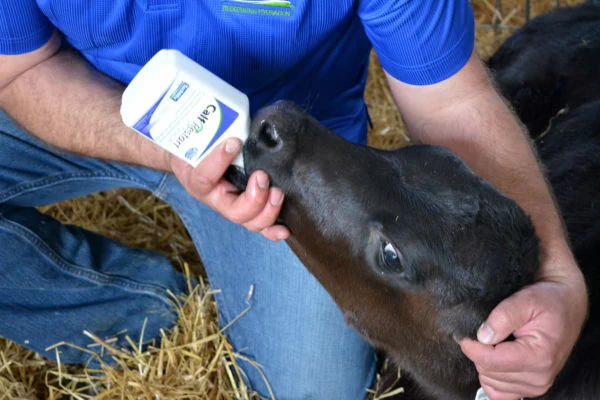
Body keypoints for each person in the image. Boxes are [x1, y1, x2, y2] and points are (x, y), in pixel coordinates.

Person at [0, 1, 587, 399]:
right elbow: (23, 71)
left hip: (287, 155)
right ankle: (134, 314)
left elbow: (451, 102)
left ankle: (169, 314)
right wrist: (165, 148)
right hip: (89, 102)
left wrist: (558, 276)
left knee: (317, 387)